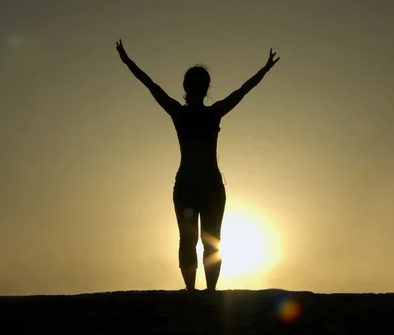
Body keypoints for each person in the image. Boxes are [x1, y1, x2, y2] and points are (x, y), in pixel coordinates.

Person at [115, 39, 280, 291]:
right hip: (191, 186)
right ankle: (193, 292)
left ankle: (207, 292)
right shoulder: (187, 113)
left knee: (207, 241)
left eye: (201, 85)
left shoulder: (205, 113)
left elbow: (242, 91)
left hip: (207, 186)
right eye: (196, 84)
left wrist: (265, 69)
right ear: (191, 88)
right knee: (191, 240)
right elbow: (151, 85)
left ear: (203, 89)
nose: (198, 89)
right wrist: (128, 62)